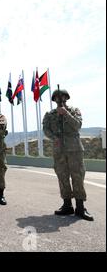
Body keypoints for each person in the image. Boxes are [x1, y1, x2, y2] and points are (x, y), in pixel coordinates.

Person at [42, 88, 94, 221]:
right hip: (59, 150)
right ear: (54, 100)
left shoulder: (74, 111)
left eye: (63, 97)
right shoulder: (49, 114)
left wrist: (66, 114)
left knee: (77, 176)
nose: (60, 99)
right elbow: (46, 130)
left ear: (67, 98)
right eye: (57, 97)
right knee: (62, 176)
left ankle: (80, 207)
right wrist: (55, 138)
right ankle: (67, 205)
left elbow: (77, 125)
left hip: (74, 149)